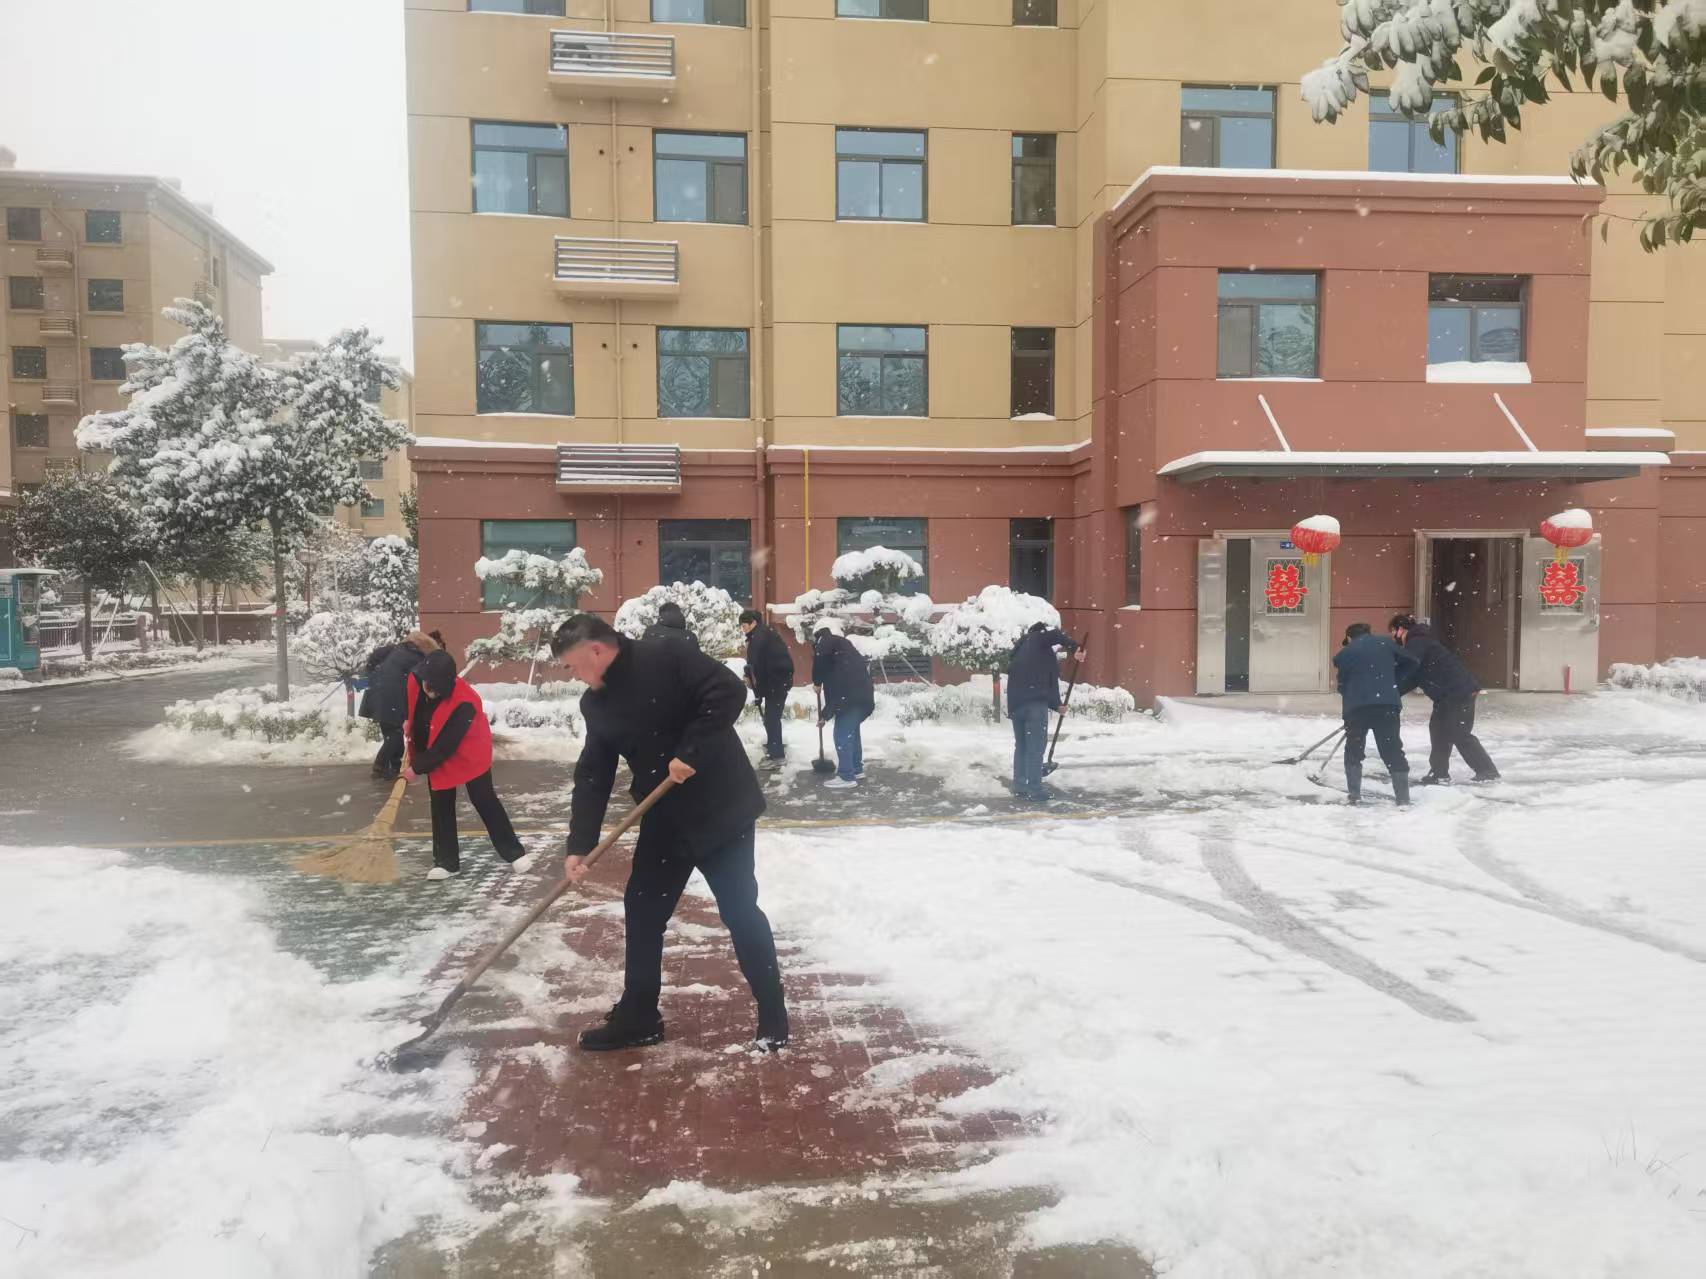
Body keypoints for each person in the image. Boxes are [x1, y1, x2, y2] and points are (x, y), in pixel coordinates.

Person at [551, 613, 788, 1052]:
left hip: (722, 810)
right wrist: (580, 845)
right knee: (642, 912)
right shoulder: (596, 704)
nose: (573, 676)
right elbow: (594, 774)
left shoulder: (666, 655)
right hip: (664, 817)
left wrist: (690, 750)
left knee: (739, 911)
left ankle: (773, 1013)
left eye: (572, 665)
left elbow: (727, 691)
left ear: (595, 651)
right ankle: (640, 1016)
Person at [403, 649, 534, 881]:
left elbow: (446, 745)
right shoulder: (420, 683)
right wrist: (408, 724)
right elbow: (414, 710)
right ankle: (447, 862)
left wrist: (417, 768)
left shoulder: (465, 702)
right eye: (425, 682)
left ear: (443, 685)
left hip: (469, 752)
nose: (426, 688)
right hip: (434, 752)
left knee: (484, 799)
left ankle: (514, 853)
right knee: (441, 805)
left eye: (431, 685)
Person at [1389, 613, 1501, 784]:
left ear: (1401, 629)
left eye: (1393, 632)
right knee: (1439, 731)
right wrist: (1391, 693)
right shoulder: (1420, 642)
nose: (1393, 637)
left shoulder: (1416, 642)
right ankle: (1439, 773)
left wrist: (1390, 685)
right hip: (1449, 694)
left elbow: (1409, 667)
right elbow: (1413, 677)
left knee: (1458, 733)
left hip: (1457, 693)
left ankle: (1487, 771)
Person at [1332, 622, 1421, 807]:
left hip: (1356, 709)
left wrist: (1354, 696)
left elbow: (1342, 684)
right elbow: (1413, 662)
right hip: (1386, 706)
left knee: (1354, 750)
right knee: (1392, 749)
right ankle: (1403, 799)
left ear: (1349, 637)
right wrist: (1394, 682)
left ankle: (1354, 796)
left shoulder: (1345, 653)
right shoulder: (1385, 643)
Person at [1006, 623, 1081, 801]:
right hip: (1034, 707)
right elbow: (1055, 635)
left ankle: (1020, 785)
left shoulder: (1022, 649)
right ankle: (1035, 789)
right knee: (1036, 748)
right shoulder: (1039, 639)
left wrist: (1057, 705)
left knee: (1022, 746)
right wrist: (1076, 647)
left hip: (1017, 706)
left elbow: (1047, 682)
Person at [363, 630, 436, 780]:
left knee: (392, 733)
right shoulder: (416, 657)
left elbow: (374, 660)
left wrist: (375, 677)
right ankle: (380, 766)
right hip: (390, 697)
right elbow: (423, 683)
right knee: (394, 735)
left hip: (378, 694)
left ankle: (395, 768)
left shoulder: (397, 650)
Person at [812, 627, 875, 789]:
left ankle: (846, 776)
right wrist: (825, 715)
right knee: (852, 732)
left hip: (850, 699)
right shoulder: (843, 650)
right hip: (863, 697)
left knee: (841, 734)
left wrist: (817, 682)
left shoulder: (824, 644)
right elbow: (840, 686)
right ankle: (856, 769)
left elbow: (839, 691)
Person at [740, 608, 795, 764]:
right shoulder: (762, 635)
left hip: (776, 683)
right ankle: (774, 745)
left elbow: (759, 667)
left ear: (753, 623)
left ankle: (777, 755)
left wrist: (758, 690)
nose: (742, 628)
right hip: (777, 682)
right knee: (771, 718)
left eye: (744, 624)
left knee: (771, 718)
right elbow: (756, 666)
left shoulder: (760, 638)